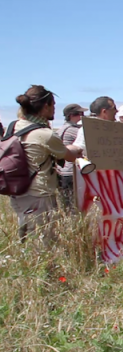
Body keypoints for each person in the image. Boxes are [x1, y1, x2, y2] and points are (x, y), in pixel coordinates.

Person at [7, 85, 82, 240]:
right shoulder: (44, 134)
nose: (54, 109)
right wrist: (79, 147)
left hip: (17, 191)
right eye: (53, 104)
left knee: (25, 238)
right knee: (44, 240)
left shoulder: (14, 126)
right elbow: (69, 155)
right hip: (39, 195)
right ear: (45, 106)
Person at [56, 103, 87, 210]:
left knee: (65, 204)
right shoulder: (74, 130)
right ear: (71, 115)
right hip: (71, 171)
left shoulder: (61, 129)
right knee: (75, 205)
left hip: (61, 170)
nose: (82, 116)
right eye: (80, 114)